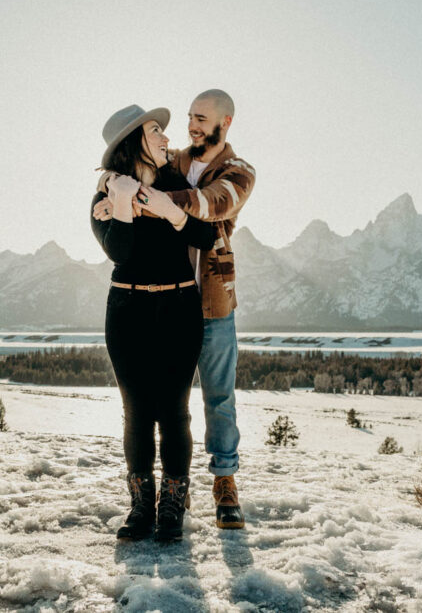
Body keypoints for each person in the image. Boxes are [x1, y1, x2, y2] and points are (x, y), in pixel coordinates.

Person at [94, 89, 255, 530]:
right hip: (158, 303)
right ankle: (153, 500)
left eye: (201, 118)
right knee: (150, 410)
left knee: (216, 397)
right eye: (189, 117)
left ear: (225, 123)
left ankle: (224, 484)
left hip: (210, 299)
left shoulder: (238, 172)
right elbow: (124, 174)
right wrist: (113, 182)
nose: (190, 126)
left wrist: (147, 199)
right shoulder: (175, 164)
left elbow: (211, 208)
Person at [90, 104, 215, 542]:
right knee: (137, 413)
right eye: (156, 131)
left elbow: (208, 235)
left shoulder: (174, 183)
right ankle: (142, 505)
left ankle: (173, 506)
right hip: (127, 312)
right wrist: (123, 203)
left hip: (180, 308)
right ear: (133, 142)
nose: (167, 137)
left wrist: (169, 209)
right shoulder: (103, 197)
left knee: (174, 412)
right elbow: (120, 252)